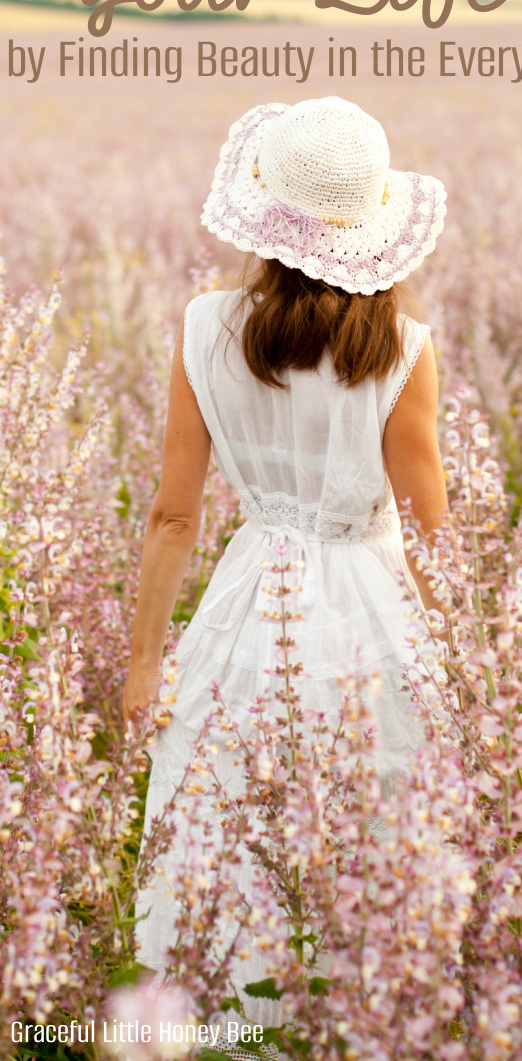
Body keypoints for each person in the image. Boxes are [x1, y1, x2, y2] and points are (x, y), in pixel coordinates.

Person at [123, 95, 449, 1008]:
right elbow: (433, 539)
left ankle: (240, 1022)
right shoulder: (403, 351)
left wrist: (145, 663)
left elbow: (172, 519)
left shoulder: (206, 329)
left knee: (227, 835)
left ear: (267, 220)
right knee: (371, 837)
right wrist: (471, 673)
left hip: (248, 602)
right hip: (371, 616)